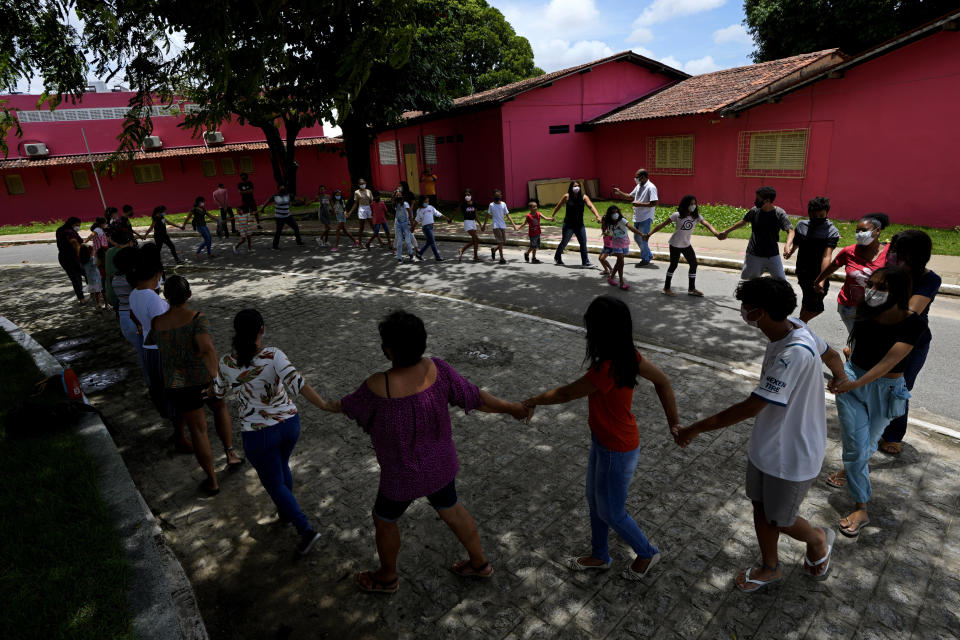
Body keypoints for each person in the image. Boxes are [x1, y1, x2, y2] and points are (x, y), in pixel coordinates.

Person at [306, 310, 528, 593]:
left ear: (388, 350)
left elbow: (344, 406)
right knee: (452, 509)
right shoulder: (439, 369)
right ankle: (480, 563)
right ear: (422, 342)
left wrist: (321, 402)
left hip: (401, 476)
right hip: (440, 466)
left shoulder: (376, 385)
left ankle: (387, 578)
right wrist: (511, 408)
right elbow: (475, 397)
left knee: (384, 519)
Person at [674, 277, 847, 592]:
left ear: (761, 313)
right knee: (759, 506)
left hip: (792, 453)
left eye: (747, 308)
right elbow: (832, 355)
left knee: (781, 518)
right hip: (767, 445)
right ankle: (770, 566)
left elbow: (751, 406)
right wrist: (839, 376)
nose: (743, 311)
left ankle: (819, 539)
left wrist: (695, 428)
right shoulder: (794, 326)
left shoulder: (794, 351)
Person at [522, 296, 679, 580]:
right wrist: (673, 423)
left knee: (612, 512)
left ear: (599, 330)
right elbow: (663, 381)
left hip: (615, 450)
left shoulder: (607, 367)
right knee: (595, 501)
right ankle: (599, 555)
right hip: (605, 443)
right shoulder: (628, 355)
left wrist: (532, 400)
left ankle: (646, 552)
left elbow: (567, 393)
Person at [823, 267, 925, 537]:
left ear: (899, 292)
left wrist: (851, 381)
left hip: (886, 389)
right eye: (871, 284)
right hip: (853, 384)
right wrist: (842, 375)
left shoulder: (913, 322)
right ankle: (861, 507)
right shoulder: (866, 312)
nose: (872, 291)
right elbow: (855, 350)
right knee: (856, 447)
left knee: (866, 445)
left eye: (881, 287)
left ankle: (850, 471)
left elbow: (890, 361)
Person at [213, 309, 325, 554]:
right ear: (262, 329)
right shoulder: (273, 355)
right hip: (289, 426)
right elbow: (298, 383)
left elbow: (218, 393)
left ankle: (305, 529)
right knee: (281, 466)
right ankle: (286, 512)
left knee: (274, 482)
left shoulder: (226, 363)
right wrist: (324, 405)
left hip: (258, 434)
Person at [146, 275, 244, 495]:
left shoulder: (157, 323)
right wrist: (217, 378)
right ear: (189, 294)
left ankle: (212, 481)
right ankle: (230, 454)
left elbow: (153, 343)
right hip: (203, 378)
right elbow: (207, 348)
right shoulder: (197, 319)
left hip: (178, 385)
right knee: (220, 409)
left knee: (198, 431)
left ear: (166, 297)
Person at [878, 231, 941, 455]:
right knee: (873, 384)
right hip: (880, 337)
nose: (894, 256)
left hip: (913, 343)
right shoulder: (887, 272)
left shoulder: (930, 279)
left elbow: (912, 311)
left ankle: (893, 435)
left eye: (900, 253)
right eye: (893, 250)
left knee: (899, 389)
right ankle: (873, 427)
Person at [129, 252, 189, 451]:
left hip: (150, 348)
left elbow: (134, 315)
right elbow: (166, 326)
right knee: (174, 393)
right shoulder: (151, 298)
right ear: (156, 274)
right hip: (162, 350)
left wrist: (143, 327)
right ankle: (180, 437)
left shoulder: (134, 293)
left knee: (164, 391)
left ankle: (178, 432)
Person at [813, 213, 891, 337]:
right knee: (858, 340)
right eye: (857, 230)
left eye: (864, 230)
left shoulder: (890, 253)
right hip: (849, 306)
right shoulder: (849, 251)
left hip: (876, 307)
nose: (859, 234)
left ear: (878, 231)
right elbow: (832, 266)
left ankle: (850, 353)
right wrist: (818, 281)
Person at [643, 194, 720, 297]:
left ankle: (691, 289)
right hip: (675, 244)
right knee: (673, 265)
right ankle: (666, 288)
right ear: (685, 204)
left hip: (686, 244)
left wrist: (716, 233)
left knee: (694, 264)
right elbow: (662, 225)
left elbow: (707, 224)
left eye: (694, 204)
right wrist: (649, 234)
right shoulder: (677, 215)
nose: (693, 206)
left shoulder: (696, 216)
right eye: (691, 204)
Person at [719, 186, 794, 280]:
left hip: (772, 254)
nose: (755, 201)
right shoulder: (755, 211)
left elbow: (791, 231)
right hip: (753, 253)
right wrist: (726, 231)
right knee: (749, 282)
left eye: (758, 199)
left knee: (781, 280)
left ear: (767, 200)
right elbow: (743, 222)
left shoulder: (779, 213)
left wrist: (787, 245)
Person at [786, 197, 840, 322]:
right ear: (809, 213)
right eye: (814, 215)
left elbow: (827, 256)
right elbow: (797, 243)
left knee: (813, 304)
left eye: (821, 215)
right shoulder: (802, 225)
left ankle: (797, 326)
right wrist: (791, 251)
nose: (817, 218)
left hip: (819, 271)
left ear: (827, 213)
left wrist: (821, 280)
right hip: (803, 270)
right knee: (812, 304)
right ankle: (798, 326)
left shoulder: (832, 231)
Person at [111, 246, 148, 384]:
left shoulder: (114, 278)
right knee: (147, 356)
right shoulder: (132, 279)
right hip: (135, 318)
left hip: (124, 318)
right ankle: (153, 385)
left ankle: (151, 384)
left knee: (142, 354)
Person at [613, 169, 657, 267]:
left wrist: (639, 204)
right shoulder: (639, 186)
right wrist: (620, 192)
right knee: (637, 238)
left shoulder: (651, 187)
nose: (636, 179)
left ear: (644, 177)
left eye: (637, 177)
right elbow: (630, 196)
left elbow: (654, 203)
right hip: (637, 217)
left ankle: (645, 259)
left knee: (642, 238)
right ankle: (648, 254)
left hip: (646, 217)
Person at [552, 181, 601, 267]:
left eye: (578, 186)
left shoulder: (584, 197)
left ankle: (585, 262)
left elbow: (590, 206)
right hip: (568, 225)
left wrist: (597, 215)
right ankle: (557, 257)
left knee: (583, 243)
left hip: (579, 225)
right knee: (564, 242)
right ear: (571, 187)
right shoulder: (567, 196)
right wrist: (553, 215)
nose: (577, 187)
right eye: (575, 186)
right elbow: (558, 206)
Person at [598, 205, 640, 291]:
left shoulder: (622, 220)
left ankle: (611, 278)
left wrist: (641, 234)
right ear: (610, 214)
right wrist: (606, 233)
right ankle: (621, 282)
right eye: (613, 213)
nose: (615, 214)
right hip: (615, 244)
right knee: (621, 261)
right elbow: (609, 233)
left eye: (616, 212)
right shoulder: (609, 222)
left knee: (619, 262)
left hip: (624, 242)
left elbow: (631, 227)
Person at [261, 184, 304, 250]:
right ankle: (275, 245)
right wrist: (262, 208)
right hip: (279, 217)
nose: (283, 190)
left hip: (287, 216)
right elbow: (268, 201)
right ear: (278, 190)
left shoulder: (288, 195)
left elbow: (296, 198)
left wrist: (303, 201)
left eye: (283, 189)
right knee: (278, 231)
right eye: (281, 189)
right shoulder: (275, 196)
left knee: (295, 227)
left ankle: (299, 241)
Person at [481, 189, 516, 265]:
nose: (497, 197)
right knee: (500, 242)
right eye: (496, 196)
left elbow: (507, 215)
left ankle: (494, 250)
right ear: (493, 196)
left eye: (499, 195)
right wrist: (484, 225)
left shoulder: (503, 204)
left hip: (502, 225)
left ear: (501, 196)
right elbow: (488, 216)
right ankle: (501, 258)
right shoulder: (491, 205)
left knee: (503, 242)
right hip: (496, 226)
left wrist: (514, 225)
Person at [56, 217, 86, 304]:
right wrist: (79, 254)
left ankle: (82, 298)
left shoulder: (60, 229)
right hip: (72, 257)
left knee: (75, 278)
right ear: (73, 224)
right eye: (78, 225)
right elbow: (74, 242)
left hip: (63, 257)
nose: (78, 227)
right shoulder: (69, 232)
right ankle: (89, 294)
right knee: (82, 275)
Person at [517, 198, 554, 264]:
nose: (536, 208)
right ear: (530, 208)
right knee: (533, 246)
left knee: (535, 247)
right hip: (532, 234)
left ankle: (533, 258)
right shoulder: (528, 216)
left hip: (538, 232)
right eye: (534, 207)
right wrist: (519, 228)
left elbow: (545, 218)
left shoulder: (539, 214)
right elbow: (524, 223)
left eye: (536, 206)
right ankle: (527, 253)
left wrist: (551, 219)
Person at [451, 189, 483, 262]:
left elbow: (476, 215)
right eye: (465, 195)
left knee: (475, 240)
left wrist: (481, 225)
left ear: (471, 195)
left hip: (473, 222)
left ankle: (474, 256)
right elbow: (456, 212)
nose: (467, 196)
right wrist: (451, 219)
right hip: (467, 222)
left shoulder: (474, 203)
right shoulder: (463, 204)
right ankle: (466, 251)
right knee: (476, 239)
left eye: (468, 195)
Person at [415, 195, 447, 261]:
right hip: (426, 228)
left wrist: (446, 218)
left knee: (429, 242)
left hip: (431, 227)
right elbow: (417, 220)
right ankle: (437, 257)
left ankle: (419, 253)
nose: (427, 203)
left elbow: (438, 214)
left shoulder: (431, 207)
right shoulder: (420, 210)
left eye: (428, 201)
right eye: (425, 201)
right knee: (432, 242)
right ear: (421, 202)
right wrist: (412, 227)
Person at [391, 187, 416, 263]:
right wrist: (394, 198)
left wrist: (412, 225)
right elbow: (393, 204)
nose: (398, 197)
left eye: (399, 195)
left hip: (406, 223)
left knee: (408, 241)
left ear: (402, 195)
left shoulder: (405, 204)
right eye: (397, 195)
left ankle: (411, 254)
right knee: (399, 241)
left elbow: (410, 214)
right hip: (398, 224)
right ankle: (399, 257)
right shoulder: (395, 204)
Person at [347, 178, 374, 246]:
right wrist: (350, 212)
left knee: (372, 225)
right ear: (359, 185)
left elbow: (372, 202)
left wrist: (374, 210)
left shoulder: (369, 191)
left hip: (368, 207)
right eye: (361, 184)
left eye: (364, 183)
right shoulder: (357, 192)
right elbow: (356, 203)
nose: (363, 185)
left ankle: (380, 241)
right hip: (361, 208)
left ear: (366, 183)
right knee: (361, 227)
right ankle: (360, 243)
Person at [80, 244, 105, 311]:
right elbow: (98, 264)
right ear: (90, 252)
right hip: (96, 277)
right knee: (98, 292)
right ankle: (98, 304)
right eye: (93, 250)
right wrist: (97, 256)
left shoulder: (83, 261)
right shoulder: (92, 259)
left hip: (90, 278)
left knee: (95, 291)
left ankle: (97, 303)